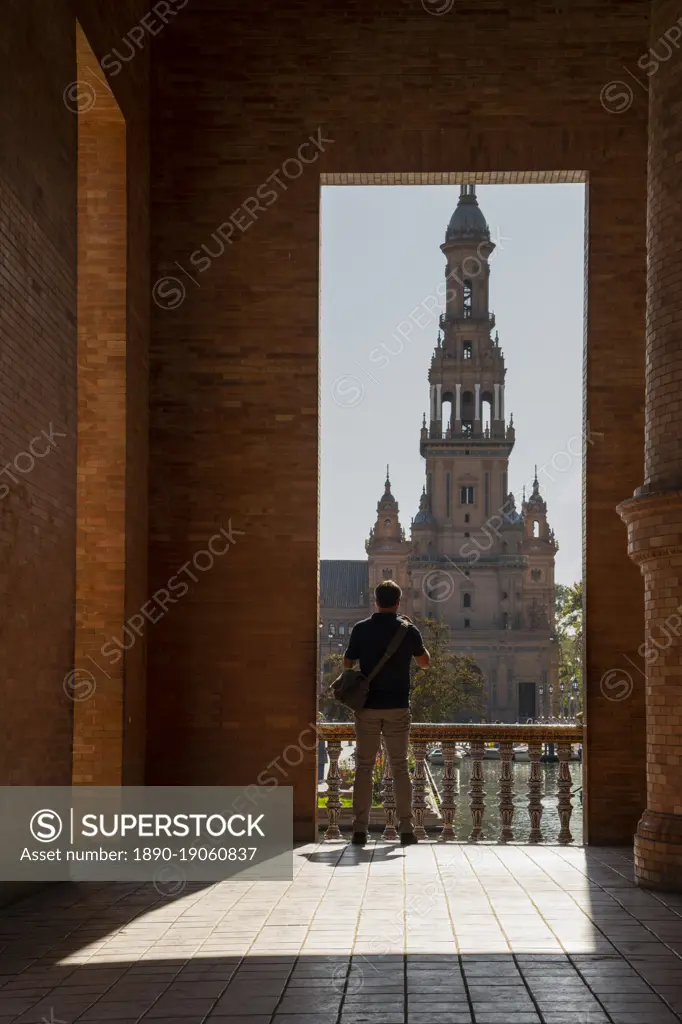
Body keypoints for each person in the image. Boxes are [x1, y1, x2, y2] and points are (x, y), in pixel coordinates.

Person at [343, 579, 430, 846]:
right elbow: (425, 663)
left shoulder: (361, 629)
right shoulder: (408, 630)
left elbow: (348, 662)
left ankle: (360, 829)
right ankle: (406, 829)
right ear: (398, 602)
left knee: (364, 767)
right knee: (400, 767)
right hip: (397, 707)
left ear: (376, 600)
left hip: (367, 708)